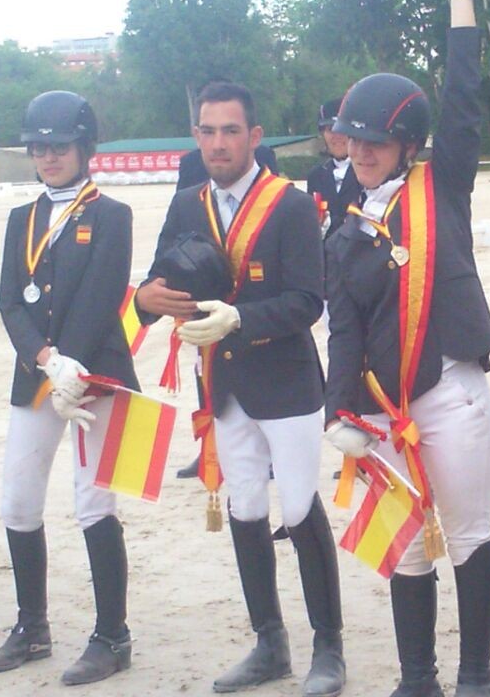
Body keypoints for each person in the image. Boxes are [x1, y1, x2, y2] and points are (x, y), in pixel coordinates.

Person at [135, 81, 344, 697]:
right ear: (195, 136)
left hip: (286, 382)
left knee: (299, 507)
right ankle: (268, 643)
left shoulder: (291, 205)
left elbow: (308, 301)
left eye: (230, 131)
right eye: (208, 131)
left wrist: (240, 319)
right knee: (245, 507)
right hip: (223, 384)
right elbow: (157, 278)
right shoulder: (186, 204)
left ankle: (328, 647)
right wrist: (146, 298)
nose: (218, 143)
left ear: (254, 136)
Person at [322, 0, 490, 695]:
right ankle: (417, 677)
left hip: (449, 393)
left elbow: (464, 99)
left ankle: (476, 675)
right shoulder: (344, 227)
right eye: (354, 139)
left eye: (376, 141)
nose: (362, 151)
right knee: (406, 551)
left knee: (466, 536)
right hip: (382, 407)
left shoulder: (442, 186)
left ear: (407, 144)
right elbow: (342, 329)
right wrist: (338, 411)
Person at [0, 91, 138, 685]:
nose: (48, 157)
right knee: (18, 498)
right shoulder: (21, 219)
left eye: (60, 147)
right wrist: (46, 360)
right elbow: (9, 301)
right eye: (39, 148)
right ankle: (32, 627)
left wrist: (73, 364)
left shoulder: (112, 215)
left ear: (84, 148)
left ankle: (112, 635)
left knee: (93, 502)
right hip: (40, 375)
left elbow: (102, 296)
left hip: (95, 376)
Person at [174, 141, 281, 481]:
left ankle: (271, 448)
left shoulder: (262, 156)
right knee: (205, 370)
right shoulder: (191, 163)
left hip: (256, 286)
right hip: (206, 284)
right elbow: (180, 228)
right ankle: (210, 446)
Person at [306, 97, 361, 240]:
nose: (337, 136)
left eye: (342, 130)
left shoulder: (367, 172)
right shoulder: (315, 176)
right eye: (331, 130)